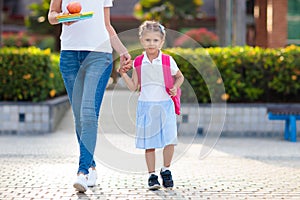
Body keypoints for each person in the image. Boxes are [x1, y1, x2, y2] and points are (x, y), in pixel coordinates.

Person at [48, 0, 131, 193]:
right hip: (69, 56)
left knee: (88, 113)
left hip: (98, 56)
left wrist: (123, 51)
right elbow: (52, 15)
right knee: (79, 117)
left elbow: (106, 25)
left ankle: (82, 172)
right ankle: (91, 166)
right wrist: (61, 18)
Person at [119, 21, 184, 190]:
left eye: (155, 40)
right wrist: (123, 74)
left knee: (169, 140)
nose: (151, 44)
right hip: (146, 106)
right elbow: (134, 87)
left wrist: (175, 87)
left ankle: (166, 170)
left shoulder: (168, 60)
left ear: (162, 42)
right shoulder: (139, 62)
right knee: (150, 144)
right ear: (141, 40)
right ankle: (152, 175)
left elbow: (179, 77)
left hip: (165, 106)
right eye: (147, 40)